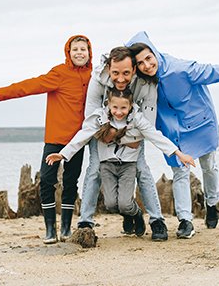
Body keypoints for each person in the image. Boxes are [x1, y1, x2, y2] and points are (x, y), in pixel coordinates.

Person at [126, 31, 219, 238]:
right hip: (172, 129)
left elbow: (216, 72)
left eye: (148, 58)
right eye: (140, 63)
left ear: (154, 53)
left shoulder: (181, 69)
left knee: (208, 166)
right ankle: (186, 221)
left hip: (200, 123)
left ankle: (212, 203)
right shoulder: (141, 80)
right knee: (180, 172)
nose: (147, 65)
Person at [0, 35, 92, 244]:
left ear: (89, 52)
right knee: (47, 182)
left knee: (70, 182)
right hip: (55, 138)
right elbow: (32, 85)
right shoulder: (59, 73)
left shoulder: (93, 75)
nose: (79, 53)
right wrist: (1, 92)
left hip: (78, 140)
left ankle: (66, 228)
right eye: (75, 49)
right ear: (68, 52)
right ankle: (50, 230)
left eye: (83, 49)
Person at [46, 88, 195, 237]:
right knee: (110, 203)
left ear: (130, 106)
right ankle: (125, 214)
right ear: (108, 105)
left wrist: (178, 153)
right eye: (115, 107)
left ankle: (136, 213)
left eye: (123, 108)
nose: (119, 112)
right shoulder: (100, 118)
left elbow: (155, 135)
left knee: (124, 202)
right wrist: (63, 153)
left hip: (128, 165)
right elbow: (83, 135)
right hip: (107, 164)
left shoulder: (137, 118)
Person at [78, 46, 170, 241]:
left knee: (142, 170)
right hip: (102, 133)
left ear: (134, 70)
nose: (120, 79)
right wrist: (110, 134)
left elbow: (148, 122)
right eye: (116, 73)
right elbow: (90, 118)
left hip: (134, 132)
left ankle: (157, 221)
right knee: (94, 170)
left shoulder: (146, 84)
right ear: (109, 68)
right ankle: (85, 221)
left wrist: (124, 137)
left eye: (126, 73)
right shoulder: (97, 80)